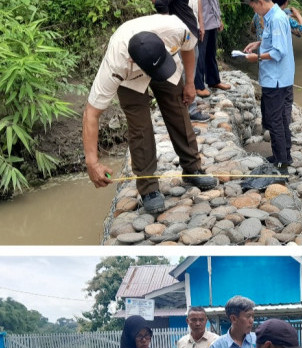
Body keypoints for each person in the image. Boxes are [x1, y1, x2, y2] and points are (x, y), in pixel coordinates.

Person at [82, 13, 217, 215]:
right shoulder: (115, 63)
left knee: (178, 109)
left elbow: (189, 49)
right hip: (131, 78)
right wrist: (92, 162)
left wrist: (190, 83)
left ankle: (192, 168)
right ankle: (148, 189)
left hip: (166, 61)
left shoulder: (175, 29)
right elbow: (91, 114)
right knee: (140, 127)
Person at [243, 0, 295, 170]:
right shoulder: (273, 16)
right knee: (279, 118)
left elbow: (279, 52)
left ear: (260, 2)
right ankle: (284, 155)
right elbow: (275, 42)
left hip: (276, 79)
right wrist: (259, 44)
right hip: (278, 77)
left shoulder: (277, 18)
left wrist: (256, 57)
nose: (254, 10)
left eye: (253, 6)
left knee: (275, 120)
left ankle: (282, 161)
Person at [194, 0, 232, 98]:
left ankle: (214, 81)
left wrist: (219, 19)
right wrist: (200, 24)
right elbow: (196, 4)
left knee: (211, 53)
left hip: (212, 21)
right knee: (200, 55)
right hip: (201, 23)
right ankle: (198, 86)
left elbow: (215, 2)